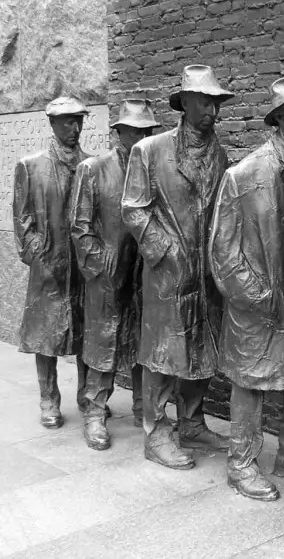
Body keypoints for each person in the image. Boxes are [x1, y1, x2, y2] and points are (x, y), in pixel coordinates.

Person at [209, 74, 284, 501]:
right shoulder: (243, 175)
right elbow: (222, 251)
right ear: (279, 118)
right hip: (258, 300)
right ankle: (241, 463)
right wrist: (258, 296)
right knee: (251, 379)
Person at [122, 65, 231, 470]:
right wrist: (165, 249)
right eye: (204, 102)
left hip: (207, 272)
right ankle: (156, 432)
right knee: (163, 353)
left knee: (203, 348)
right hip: (168, 272)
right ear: (184, 103)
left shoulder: (219, 153)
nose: (212, 111)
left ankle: (192, 422)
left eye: (215, 103)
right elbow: (133, 209)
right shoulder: (149, 151)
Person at [71, 99, 160, 450]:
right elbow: (79, 225)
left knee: (142, 338)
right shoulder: (94, 169)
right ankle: (95, 410)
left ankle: (143, 405)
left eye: (146, 131)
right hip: (106, 273)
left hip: (143, 269)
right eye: (134, 130)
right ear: (119, 132)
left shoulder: (151, 170)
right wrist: (97, 262)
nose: (140, 136)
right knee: (102, 341)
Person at [13, 97, 93, 429]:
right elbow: (22, 219)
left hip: (84, 266)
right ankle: (48, 398)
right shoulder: (30, 166)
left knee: (87, 331)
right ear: (52, 124)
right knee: (46, 334)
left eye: (78, 121)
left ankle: (87, 397)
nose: (74, 128)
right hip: (49, 265)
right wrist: (38, 255)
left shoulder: (92, 164)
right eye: (67, 122)